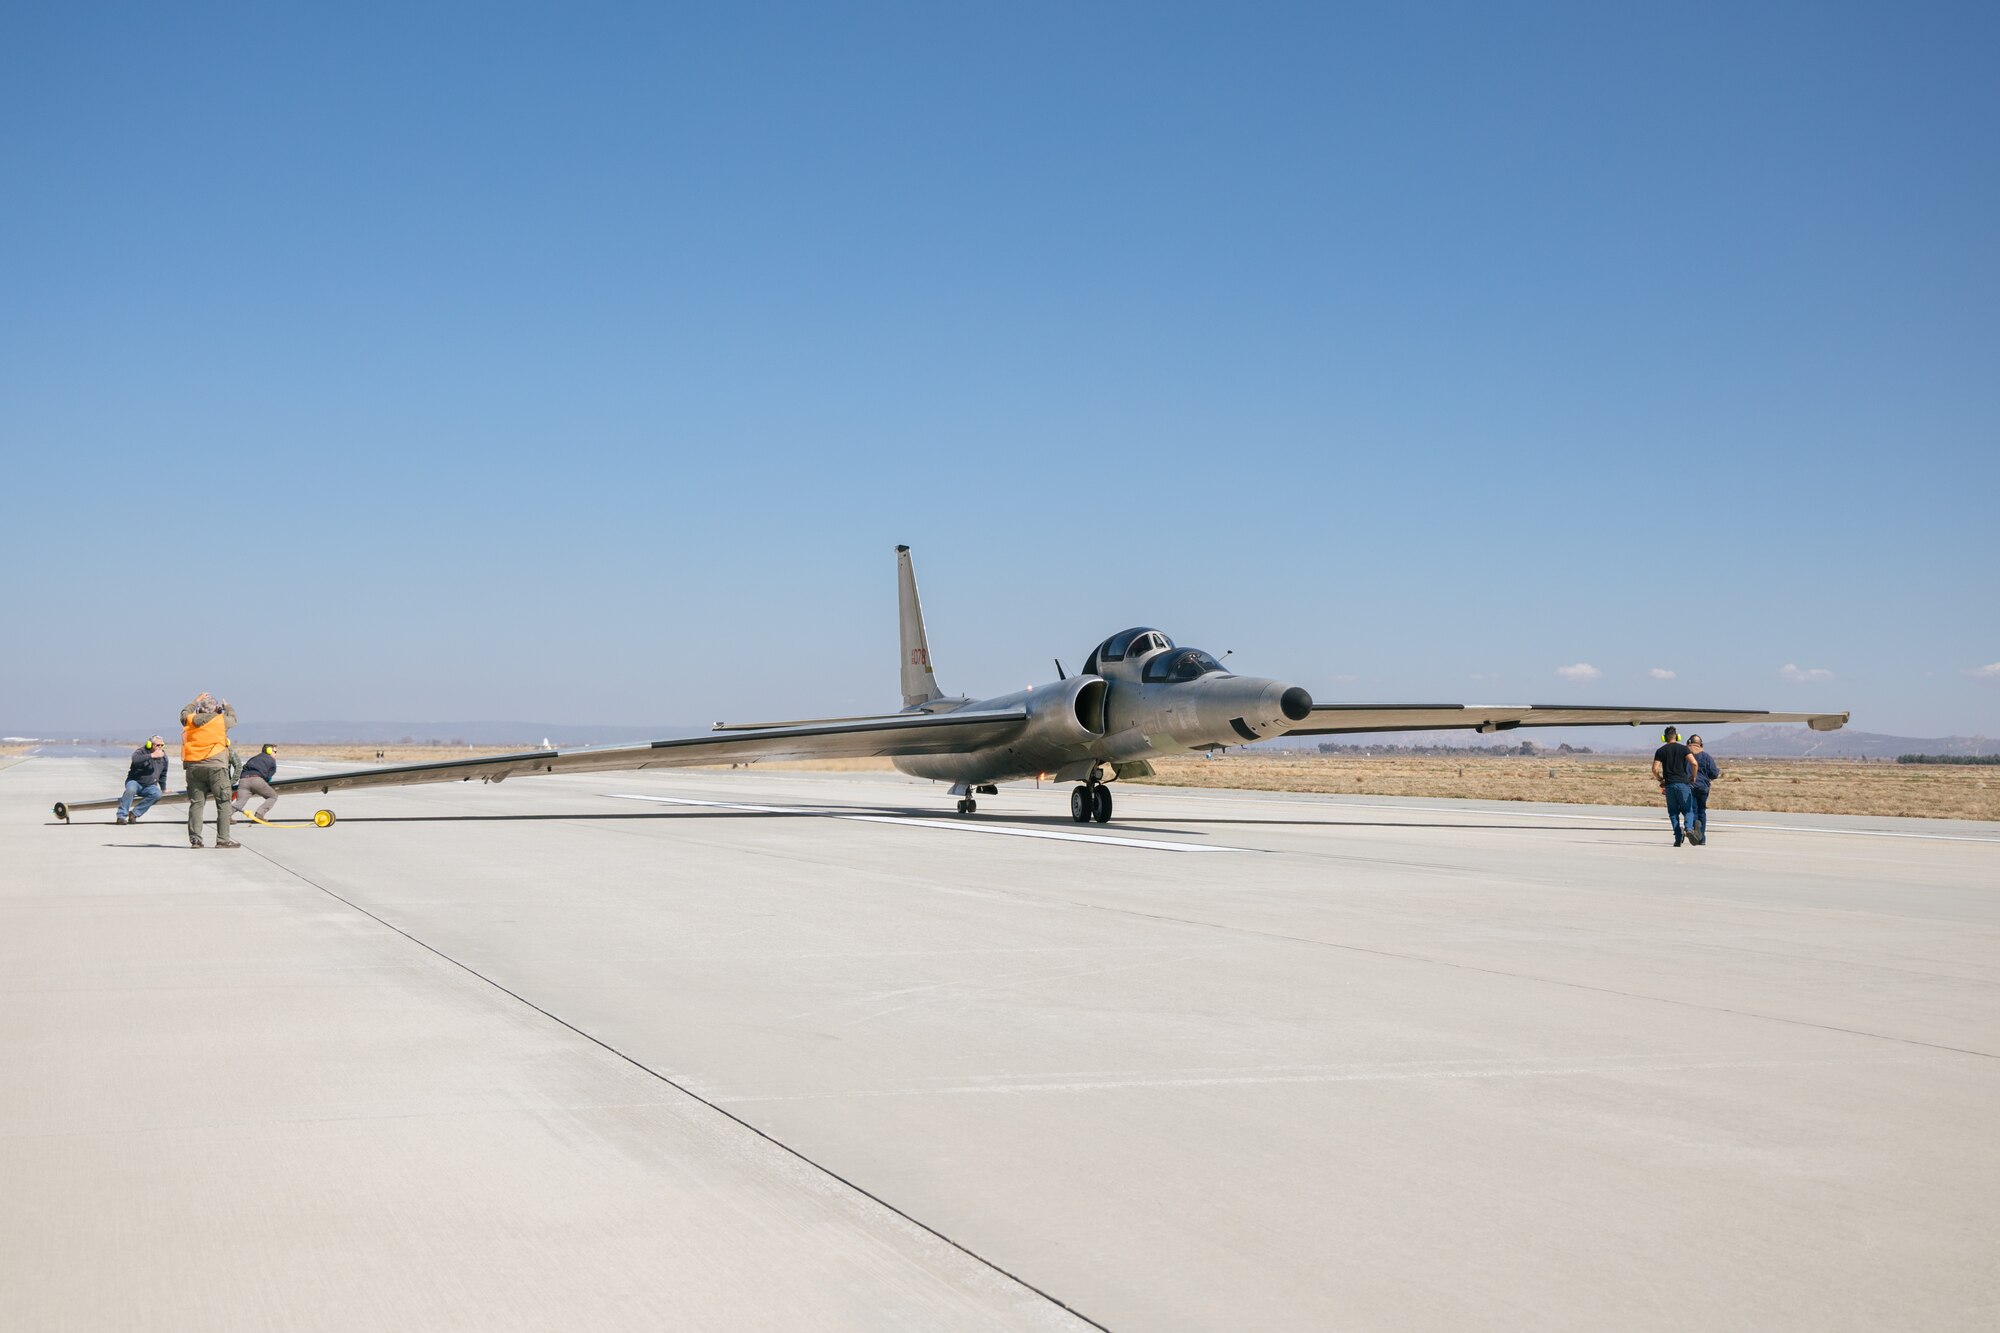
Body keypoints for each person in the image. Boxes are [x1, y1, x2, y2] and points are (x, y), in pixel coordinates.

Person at [181, 692, 240, 849]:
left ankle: (195, 839)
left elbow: (184, 713)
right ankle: (223, 839)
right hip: (216, 767)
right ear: (216, 709)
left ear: (199, 710)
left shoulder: (191, 720)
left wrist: (195, 701)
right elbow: (233, 719)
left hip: (194, 767)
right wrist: (227, 706)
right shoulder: (221, 720)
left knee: (197, 804)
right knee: (223, 802)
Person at [1651, 726, 1702, 847]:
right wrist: (1693, 777)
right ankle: (1689, 829)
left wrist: (1660, 779)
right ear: (1677, 736)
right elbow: (1694, 763)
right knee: (1688, 810)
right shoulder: (1683, 749)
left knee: (1673, 813)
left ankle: (1678, 837)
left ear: (1664, 738)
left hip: (1669, 786)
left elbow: (1654, 769)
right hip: (1683, 784)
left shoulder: (1660, 751)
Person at [116, 736, 170, 825]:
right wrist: (152, 756)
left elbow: (163, 774)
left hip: (150, 785)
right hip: (135, 781)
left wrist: (163, 788)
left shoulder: (163, 757)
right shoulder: (141, 752)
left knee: (157, 794)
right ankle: (121, 816)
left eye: (162, 745)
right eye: (157, 745)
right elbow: (135, 760)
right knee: (130, 790)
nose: (160, 747)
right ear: (150, 744)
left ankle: (134, 813)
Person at [233, 743, 281, 821]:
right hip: (257, 780)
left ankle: (225, 818)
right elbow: (268, 777)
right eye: (275, 752)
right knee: (273, 796)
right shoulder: (271, 760)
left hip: (243, 781)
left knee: (239, 802)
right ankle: (259, 815)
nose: (276, 754)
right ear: (269, 751)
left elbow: (243, 769)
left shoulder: (253, 758)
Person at [1688, 734, 1721, 840]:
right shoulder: (1706, 757)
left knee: (1693, 811)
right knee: (1702, 811)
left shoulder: (1686, 756)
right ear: (1701, 744)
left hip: (1690, 787)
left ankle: (1696, 834)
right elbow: (1714, 774)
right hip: (1703, 787)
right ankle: (1701, 837)